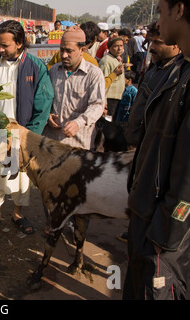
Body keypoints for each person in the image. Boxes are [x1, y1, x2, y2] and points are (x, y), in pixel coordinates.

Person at [123, 0, 190, 300]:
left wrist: (166, 232)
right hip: (149, 217)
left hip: (164, 235)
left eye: (161, 11)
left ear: (179, 9)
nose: (157, 21)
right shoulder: (178, 72)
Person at [0, 20, 54, 236]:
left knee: (21, 178)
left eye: (5, 45)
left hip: (22, 135)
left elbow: (43, 104)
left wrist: (29, 136)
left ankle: (18, 213)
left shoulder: (36, 67)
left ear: (19, 43)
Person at [43, 26, 105, 150]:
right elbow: (46, 99)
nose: (64, 55)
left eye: (69, 51)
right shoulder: (54, 70)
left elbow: (97, 105)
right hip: (52, 142)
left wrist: (78, 123)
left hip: (78, 145)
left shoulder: (93, 74)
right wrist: (47, 116)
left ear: (82, 50)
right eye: (61, 50)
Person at [124, 22, 180, 148]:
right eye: (151, 42)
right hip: (138, 143)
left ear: (176, 44)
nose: (152, 47)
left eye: (158, 43)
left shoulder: (176, 76)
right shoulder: (156, 68)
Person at [99, 37, 126, 118]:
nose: (119, 49)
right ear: (109, 48)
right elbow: (102, 83)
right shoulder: (106, 61)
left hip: (116, 98)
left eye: (121, 46)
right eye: (116, 46)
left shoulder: (117, 59)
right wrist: (104, 103)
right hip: (109, 99)